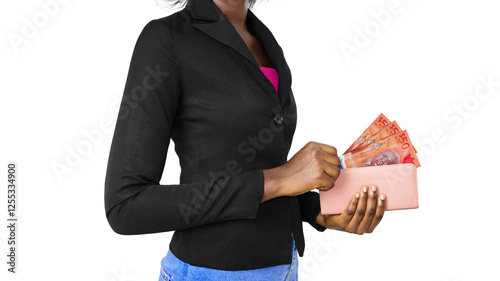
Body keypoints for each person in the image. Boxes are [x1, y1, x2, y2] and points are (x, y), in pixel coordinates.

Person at [104, 0, 387, 280]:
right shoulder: (167, 38)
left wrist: (318, 211)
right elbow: (126, 205)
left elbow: (254, 174)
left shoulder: (264, 40)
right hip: (208, 272)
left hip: (284, 269)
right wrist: (279, 178)